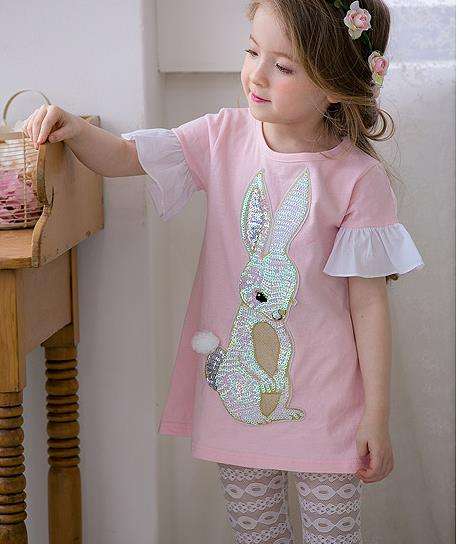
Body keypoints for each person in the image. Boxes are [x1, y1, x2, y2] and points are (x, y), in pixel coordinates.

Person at [22, 0, 425, 541]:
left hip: (331, 407)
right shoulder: (223, 138)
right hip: (238, 399)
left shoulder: (357, 178)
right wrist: (72, 128)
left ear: (335, 85)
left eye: (283, 67)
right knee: (256, 535)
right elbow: (124, 157)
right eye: (252, 51)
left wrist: (376, 413)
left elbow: (369, 304)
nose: (256, 75)